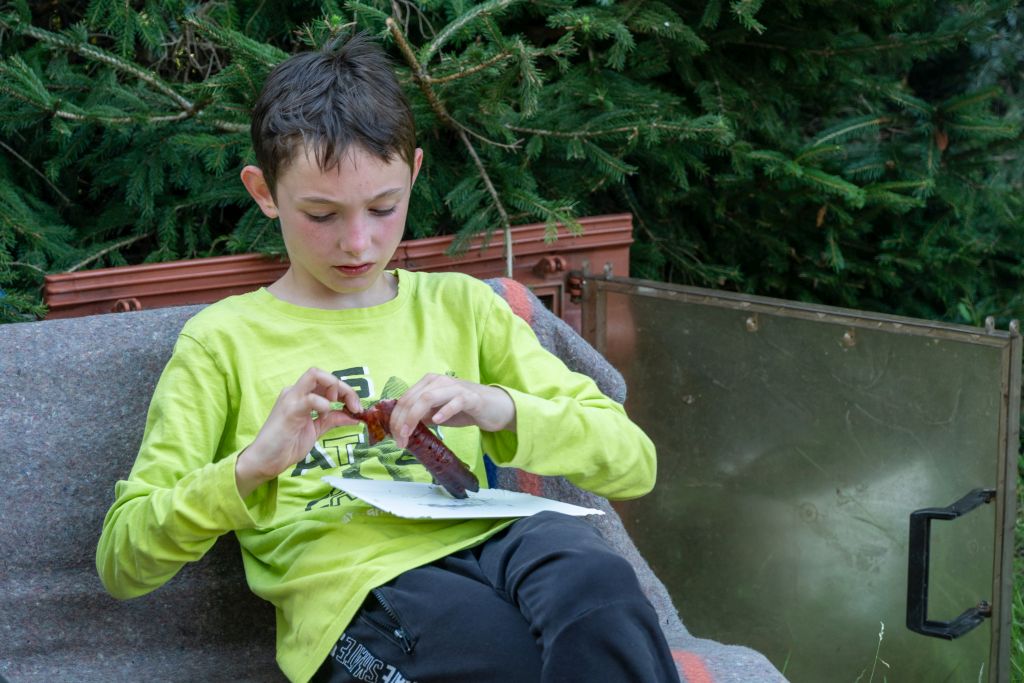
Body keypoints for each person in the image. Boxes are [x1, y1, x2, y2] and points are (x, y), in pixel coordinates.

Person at [96, 33, 679, 683]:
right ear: (264, 192)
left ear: (414, 174)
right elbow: (124, 560)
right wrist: (250, 466)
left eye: (383, 207)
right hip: (359, 588)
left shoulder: (464, 308)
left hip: (494, 535)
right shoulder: (221, 341)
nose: (359, 242)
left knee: (599, 585)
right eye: (322, 214)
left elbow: (634, 463)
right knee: (497, 654)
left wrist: (498, 406)